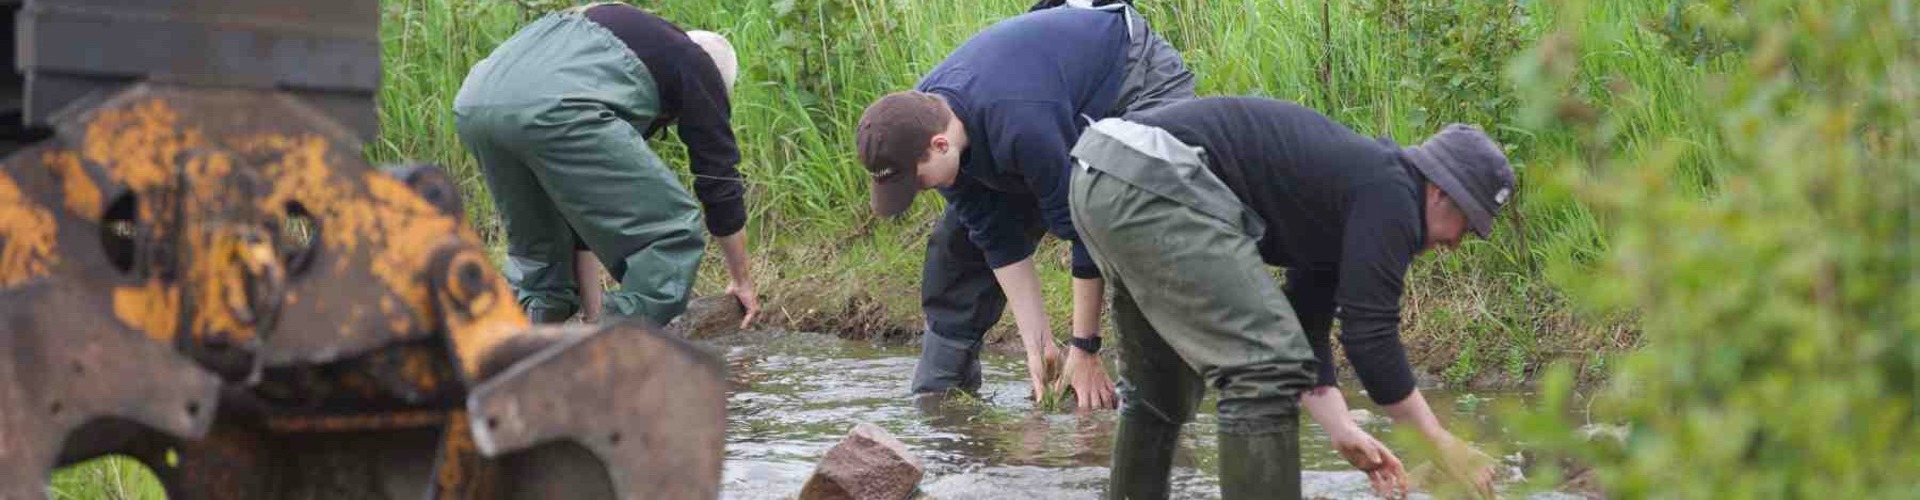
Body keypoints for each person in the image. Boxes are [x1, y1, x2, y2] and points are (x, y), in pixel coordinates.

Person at [1065, 96, 1510, 499]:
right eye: (1467, 227)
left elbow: (1305, 323)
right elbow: (1370, 338)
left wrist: (1341, 427)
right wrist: (1440, 442)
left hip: (1104, 167)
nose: (1456, 244)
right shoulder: (1392, 193)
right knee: (1263, 368)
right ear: (1441, 192)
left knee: (1162, 389)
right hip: (1153, 178)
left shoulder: (1354, 194)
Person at [855, 0, 1194, 410]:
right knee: (959, 242)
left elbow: (1087, 227)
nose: (919, 190)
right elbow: (995, 235)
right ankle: (940, 400)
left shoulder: (1020, 124)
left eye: (917, 180)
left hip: (1135, 77)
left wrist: (1084, 348)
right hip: (1042, 96)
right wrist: (1040, 347)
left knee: (1122, 206)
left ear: (940, 145)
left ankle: (1154, 395)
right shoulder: (922, 121)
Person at [454, 3, 759, 328]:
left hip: (476, 100)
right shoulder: (697, 63)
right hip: (554, 107)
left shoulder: (616, 46)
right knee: (672, 234)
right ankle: (608, 356)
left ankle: (512, 361)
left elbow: (583, 214)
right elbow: (719, 180)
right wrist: (741, 281)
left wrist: (592, 313)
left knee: (541, 263)